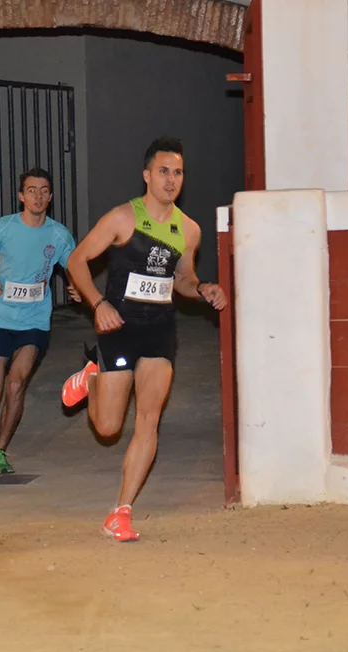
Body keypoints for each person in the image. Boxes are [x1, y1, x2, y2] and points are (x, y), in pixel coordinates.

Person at [60, 137, 227, 541]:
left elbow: (183, 280)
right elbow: (76, 259)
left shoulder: (188, 229)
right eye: (164, 171)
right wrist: (98, 303)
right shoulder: (122, 218)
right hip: (119, 327)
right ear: (147, 175)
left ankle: (121, 511)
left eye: (178, 172)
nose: (172, 180)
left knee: (149, 420)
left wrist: (204, 289)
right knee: (107, 427)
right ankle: (92, 376)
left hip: (159, 331)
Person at [0, 167, 76, 474]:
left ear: (50, 197)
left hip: (34, 321)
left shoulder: (58, 234)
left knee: (16, 383)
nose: (38, 196)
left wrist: (77, 286)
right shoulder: (4, 228)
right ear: (21, 196)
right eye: (31, 190)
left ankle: (0, 450)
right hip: (1, 318)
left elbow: (75, 266)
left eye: (43, 190)